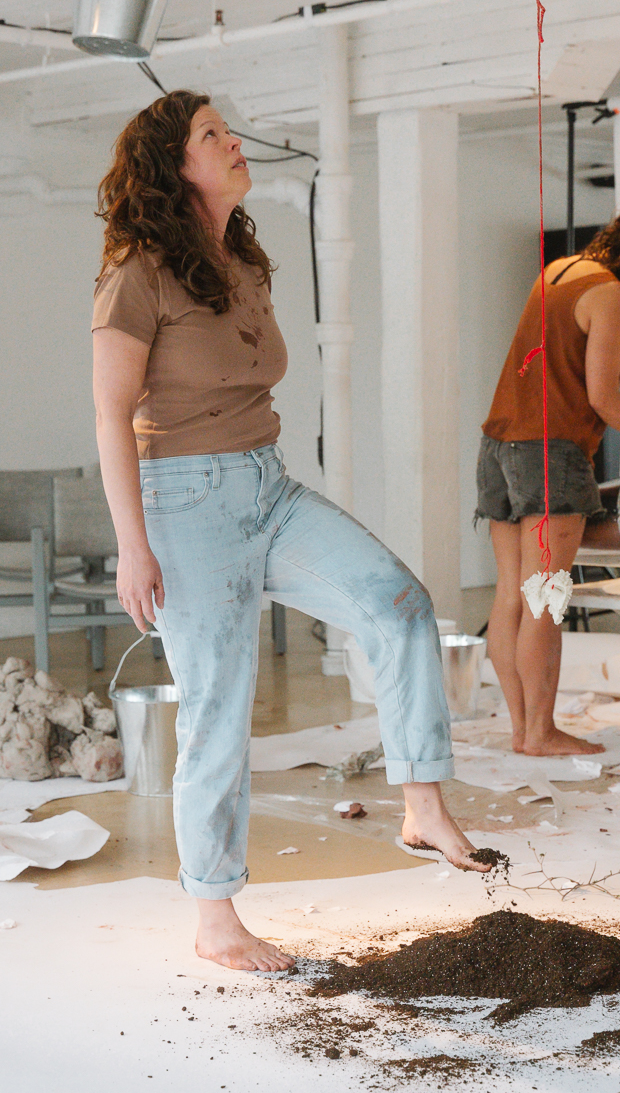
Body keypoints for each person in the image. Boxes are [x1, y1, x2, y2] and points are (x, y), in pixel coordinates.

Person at [92, 89, 489, 975]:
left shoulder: (239, 258)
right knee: (218, 709)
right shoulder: (135, 273)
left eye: (227, 129)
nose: (234, 142)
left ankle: (421, 806)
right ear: (173, 165)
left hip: (267, 485)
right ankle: (216, 916)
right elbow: (111, 415)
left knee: (398, 603)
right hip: (183, 502)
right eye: (211, 134)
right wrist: (133, 544)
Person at [476, 194, 620, 757]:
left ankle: (523, 730)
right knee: (546, 595)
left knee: (511, 593)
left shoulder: (558, 270)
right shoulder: (610, 292)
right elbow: (602, 395)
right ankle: (541, 732)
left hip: (497, 443)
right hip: (548, 452)